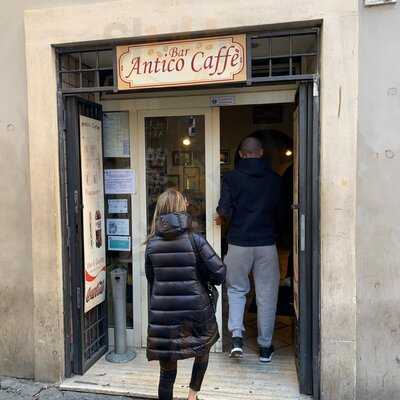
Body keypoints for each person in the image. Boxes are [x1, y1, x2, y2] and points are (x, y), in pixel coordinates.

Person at [145, 188, 226, 400]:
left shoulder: (152, 244)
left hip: (163, 315)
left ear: (160, 210)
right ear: (182, 208)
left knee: (167, 372)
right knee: (203, 348)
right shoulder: (195, 240)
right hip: (196, 312)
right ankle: (192, 396)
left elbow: (151, 279)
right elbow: (219, 272)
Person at [216, 135, 281, 363]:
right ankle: (265, 348)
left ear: (241, 154)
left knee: (236, 290)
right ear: (261, 152)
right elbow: (281, 213)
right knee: (267, 295)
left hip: (238, 244)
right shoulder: (275, 179)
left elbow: (224, 209)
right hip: (266, 245)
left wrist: (230, 218)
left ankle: (236, 339)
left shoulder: (231, 178)